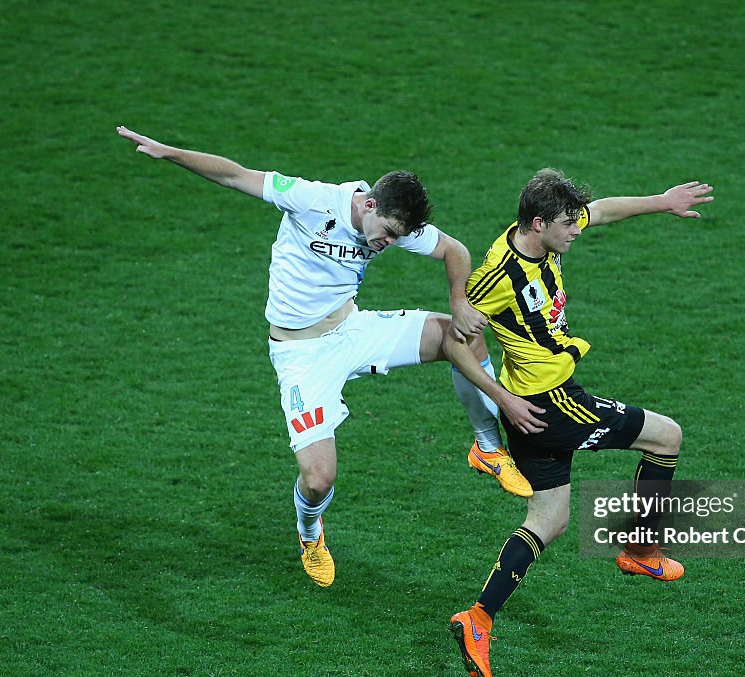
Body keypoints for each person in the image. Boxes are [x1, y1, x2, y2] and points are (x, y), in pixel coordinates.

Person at [116, 126, 532, 588]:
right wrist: (169, 152)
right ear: (368, 205)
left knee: (464, 337)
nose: (388, 244)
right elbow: (236, 176)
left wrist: (459, 303)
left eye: (399, 237)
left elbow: (454, 250)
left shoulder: (392, 224)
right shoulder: (312, 200)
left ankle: (487, 446)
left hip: (353, 330)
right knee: (318, 479)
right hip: (301, 353)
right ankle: (310, 533)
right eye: (388, 234)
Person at [443, 169, 713, 677]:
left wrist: (662, 201)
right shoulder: (499, 276)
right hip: (551, 406)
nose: (576, 231)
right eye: (568, 224)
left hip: (532, 409)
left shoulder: (543, 236)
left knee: (550, 517)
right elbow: (456, 343)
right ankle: (640, 552)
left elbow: (603, 210)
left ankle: (478, 618)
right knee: (666, 436)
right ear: (539, 222)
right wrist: (501, 400)